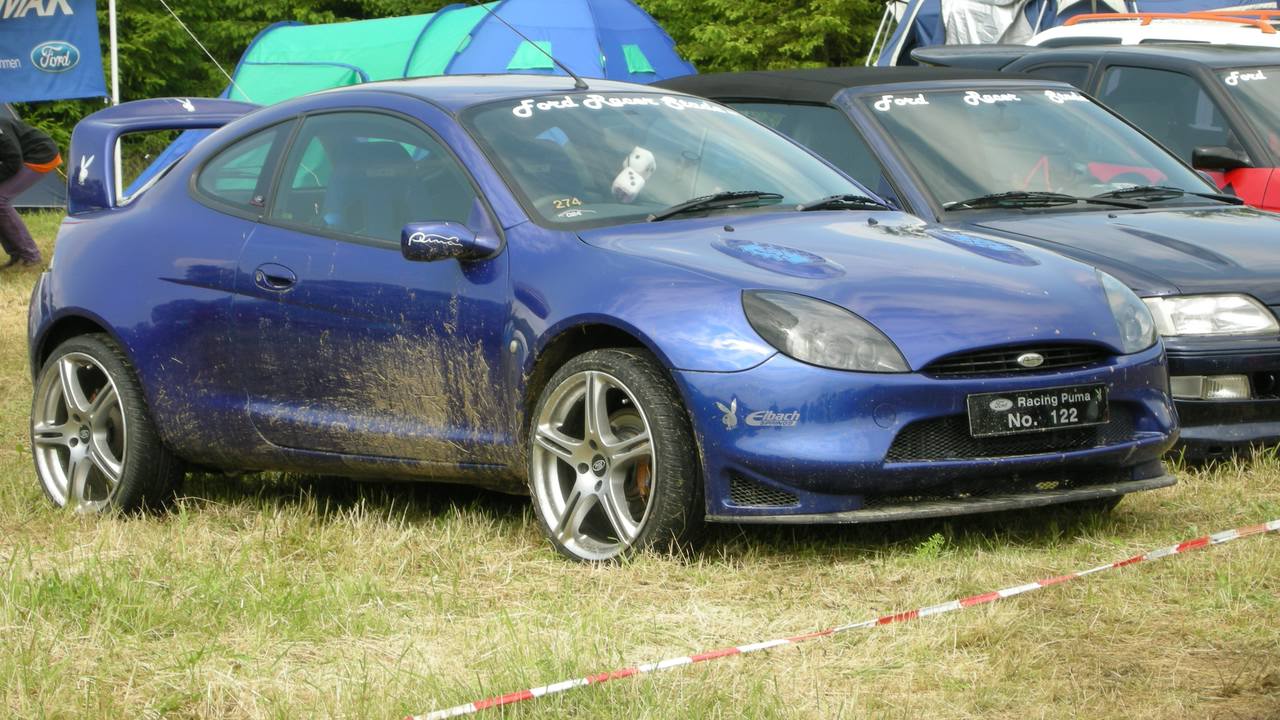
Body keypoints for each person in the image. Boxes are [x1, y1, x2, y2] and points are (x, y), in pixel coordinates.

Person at [0, 115, 61, 268]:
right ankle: (17, 255)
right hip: (21, 158)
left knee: (0, 199)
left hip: (41, 155)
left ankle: (31, 256)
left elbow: (13, 160)